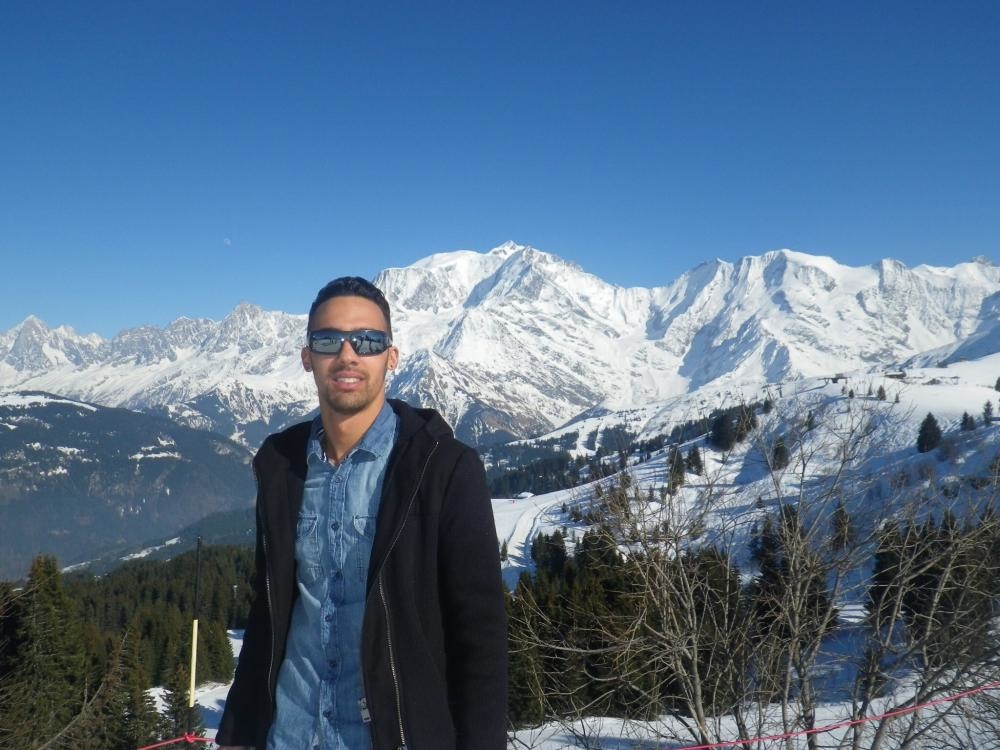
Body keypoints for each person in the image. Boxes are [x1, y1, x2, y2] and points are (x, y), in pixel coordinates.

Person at [216, 277, 507, 750]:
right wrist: (237, 731)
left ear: (391, 357)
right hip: (289, 736)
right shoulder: (279, 466)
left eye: (367, 341)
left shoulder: (444, 469)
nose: (348, 355)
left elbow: (480, 636)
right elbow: (269, 609)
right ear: (307, 357)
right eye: (328, 341)